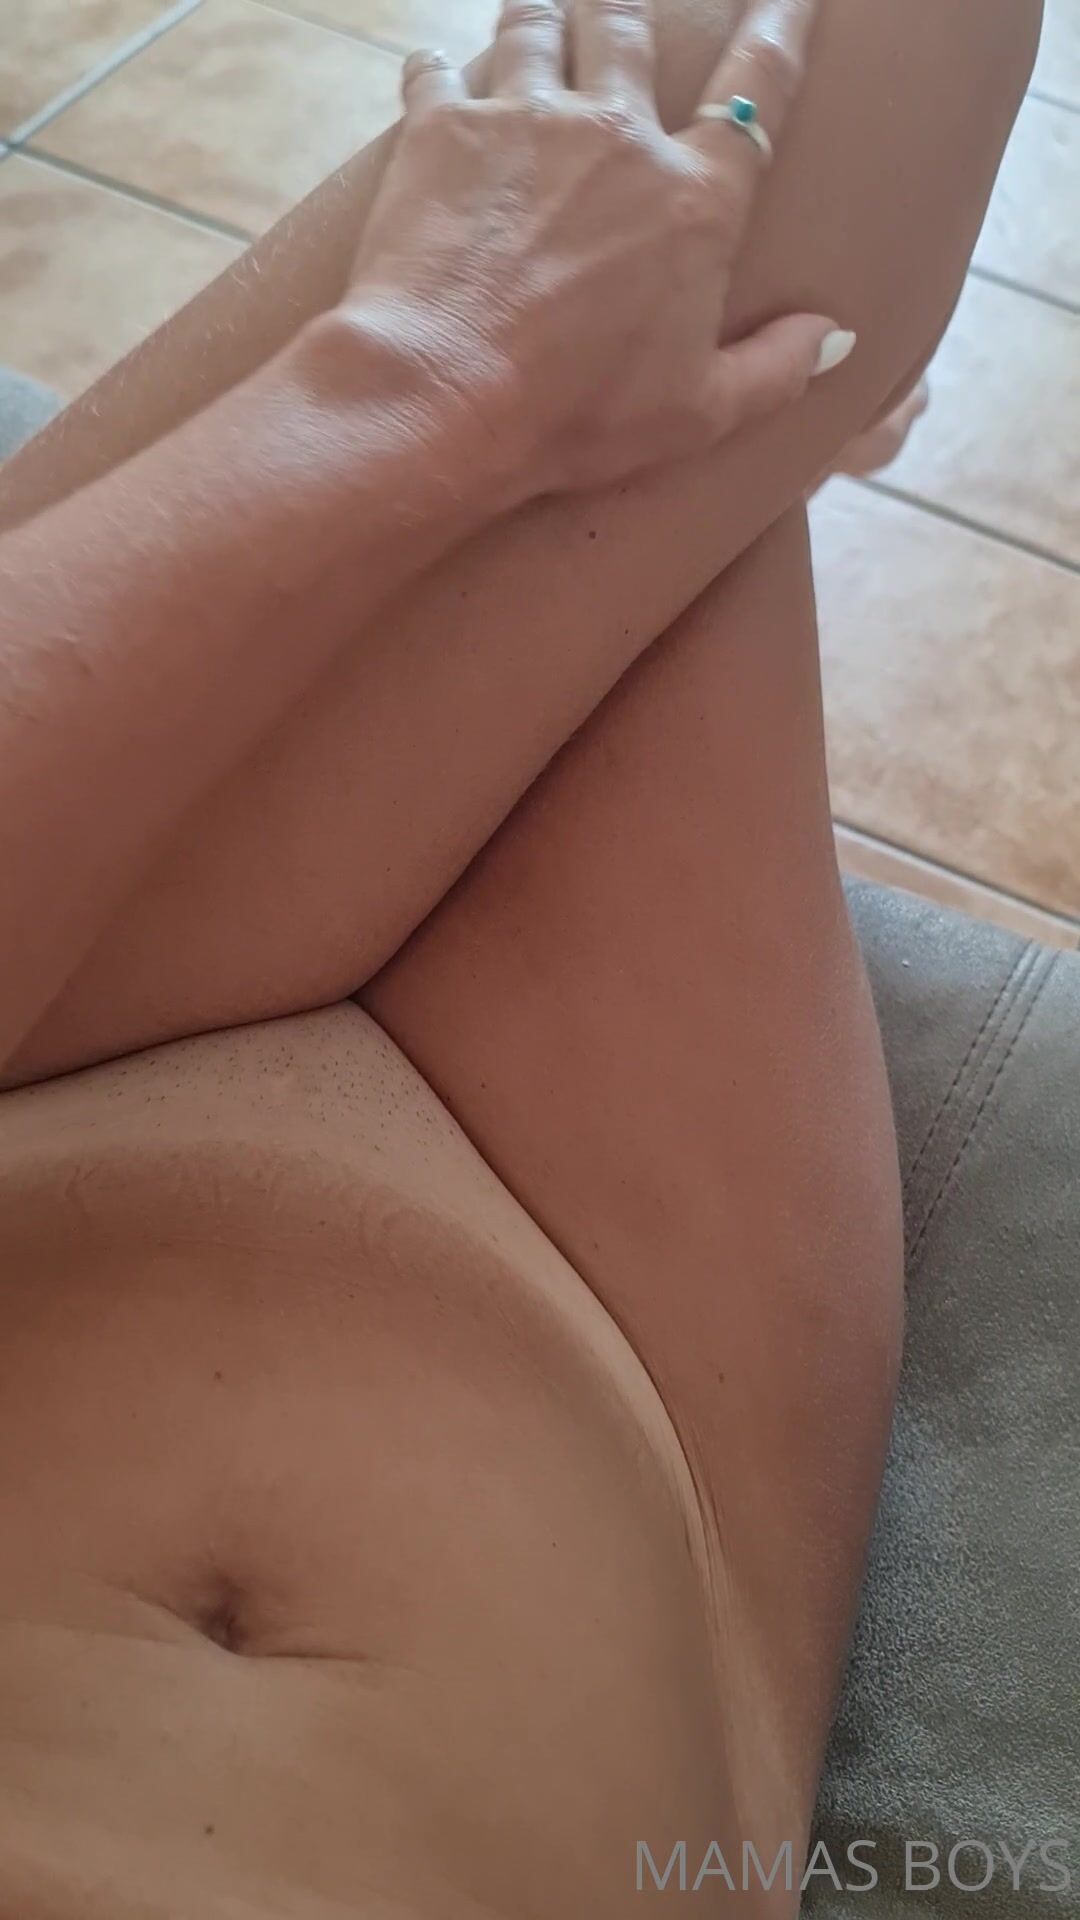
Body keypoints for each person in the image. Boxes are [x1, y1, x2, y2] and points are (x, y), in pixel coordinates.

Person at [0, 0, 1039, 1911]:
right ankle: (712, 481)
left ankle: (689, 462)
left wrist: (415, 382)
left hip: (44, 1007)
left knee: (802, 77)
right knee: (797, 184)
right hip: (630, 1399)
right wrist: (441, 391)